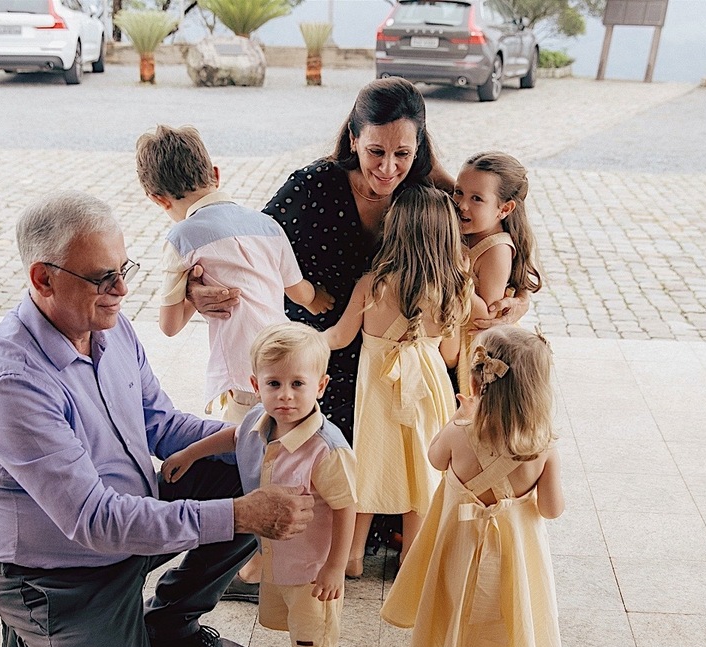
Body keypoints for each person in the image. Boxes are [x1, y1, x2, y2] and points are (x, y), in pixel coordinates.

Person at [0, 191, 315, 647]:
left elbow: (162, 424)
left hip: (132, 517)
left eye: (124, 271)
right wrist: (239, 515)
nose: (122, 291)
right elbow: (95, 519)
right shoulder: (7, 382)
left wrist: (270, 433)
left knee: (250, 465)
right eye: (103, 278)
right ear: (43, 279)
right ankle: (31, 634)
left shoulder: (108, 327)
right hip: (62, 575)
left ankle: (167, 628)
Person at [188, 77, 527, 574]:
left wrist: (514, 300)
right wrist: (197, 290)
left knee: (382, 462)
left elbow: (495, 234)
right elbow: (248, 247)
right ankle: (271, 550)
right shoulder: (311, 186)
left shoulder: (431, 193)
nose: (388, 168)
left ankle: (362, 539)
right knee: (292, 451)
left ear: (420, 148)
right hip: (320, 347)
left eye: (403, 154)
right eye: (375, 151)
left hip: (385, 362)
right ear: (352, 137)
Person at [160, 323, 357, 647]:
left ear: (320, 385)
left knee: (316, 633)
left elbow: (346, 507)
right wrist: (190, 452)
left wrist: (335, 566)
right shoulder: (260, 419)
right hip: (279, 555)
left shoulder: (326, 449)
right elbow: (234, 437)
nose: (285, 395)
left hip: (311, 565)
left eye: (297, 384)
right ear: (255, 384)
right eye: (274, 383)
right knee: (301, 628)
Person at [381, 326, 564, 647]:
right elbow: (553, 509)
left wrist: (456, 419)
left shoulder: (460, 431)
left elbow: (434, 459)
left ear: (478, 378)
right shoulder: (541, 445)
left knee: (462, 627)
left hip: (460, 551)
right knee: (509, 631)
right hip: (515, 559)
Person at [135, 124, 333, 423]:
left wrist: (190, 292)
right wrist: (320, 299)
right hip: (285, 356)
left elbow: (170, 325)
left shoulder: (181, 239)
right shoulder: (266, 224)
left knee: (246, 448)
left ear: (158, 199)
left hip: (246, 369)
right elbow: (299, 291)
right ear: (215, 174)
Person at [321, 184, 469, 575]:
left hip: (378, 393)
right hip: (428, 388)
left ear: (394, 228)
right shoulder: (453, 289)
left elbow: (339, 338)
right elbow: (451, 354)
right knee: (423, 465)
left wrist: (300, 341)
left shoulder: (372, 285)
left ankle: (352, 557)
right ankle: (411, 557)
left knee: (371, 464)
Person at [452, 151, 543, 392]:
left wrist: (453, 275)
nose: (462, 205)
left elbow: (486, 316)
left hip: (476, 345)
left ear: (504, 209)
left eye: (477, 199)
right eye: (459, 192)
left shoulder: (496, 249)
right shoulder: (467, 233)